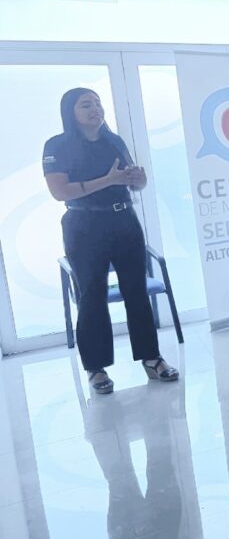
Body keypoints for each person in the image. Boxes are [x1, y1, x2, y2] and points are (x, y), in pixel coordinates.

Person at [42, 87, 179, 394]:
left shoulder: (113, 140)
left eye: (98, 103)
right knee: (92, 295)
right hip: (84, 225)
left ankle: (152, 358)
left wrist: (138, 179)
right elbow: (60, 192)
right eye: (86, 105)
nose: (96, 109)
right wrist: (109, 180)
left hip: (124, 220)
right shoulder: (57, 145)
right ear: (70, 112)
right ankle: (96, 368)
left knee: (137, 291)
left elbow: (134, 184)